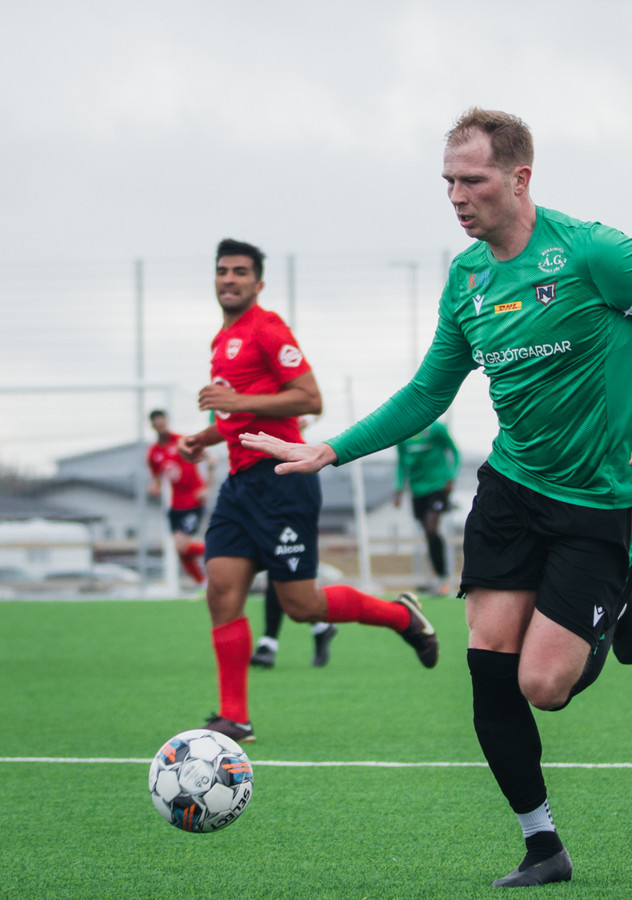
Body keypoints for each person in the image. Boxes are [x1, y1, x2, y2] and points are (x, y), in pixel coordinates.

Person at [240, 108, 632, 888]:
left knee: (544, 686)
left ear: (520, 178)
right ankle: (543, 845)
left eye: (473, 180)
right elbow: (429, 390)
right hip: (511, 490)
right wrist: (330, 450)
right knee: (490, 667)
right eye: (448, 182)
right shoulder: (467, 280)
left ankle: (621, 592)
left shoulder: (595, 252)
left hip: (601, 498)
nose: (457, 197)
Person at [178, 238, 439, 746]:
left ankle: (401, 616)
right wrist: (204, 438)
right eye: (223, 271)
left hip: (282, 481)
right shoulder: (221, 339)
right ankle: (235, 718)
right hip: (239, 485)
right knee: (221, 591)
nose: (229, 279)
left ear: (258, 283)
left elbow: (308, 398)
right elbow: (239, 415)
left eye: (240, 272)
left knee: (301, 606)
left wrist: (235, 400)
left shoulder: (268, 328)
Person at [249, 417, 338, 670]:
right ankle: (320, 626)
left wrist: (296, 418)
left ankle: (268, 643)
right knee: (277, 565)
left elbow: (313, 406)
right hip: (253, 481)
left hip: (290, 477)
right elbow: (225, 429)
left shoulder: (277, 397)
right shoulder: (227, 404)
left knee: (281, 564)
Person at [146, 408, 213, 586]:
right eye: (157, 424)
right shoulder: (153, 453)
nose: (161, 426)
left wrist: (207, 487)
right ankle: (203, 583)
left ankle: (223, 551)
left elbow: (211, 459)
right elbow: (157, 481)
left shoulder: (181, 441)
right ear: (153, 426)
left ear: (166, 421)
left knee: (182, 546)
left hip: (193, 500)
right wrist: (154, 488)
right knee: (180, 550)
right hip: (175, 504)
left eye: (162, 422)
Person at [394, 420, 460, 595]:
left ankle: (443, 578)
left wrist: (451, 477)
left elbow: (454, 451)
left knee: (431, 527)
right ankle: (437, 577)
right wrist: (399, 488)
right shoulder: (402, 434)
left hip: (438, 486)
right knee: (428, 534)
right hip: (417, 489)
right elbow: (401, 463)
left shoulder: (436, 429)